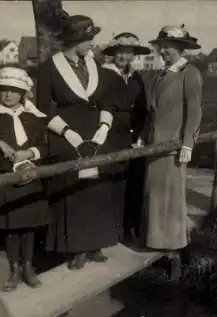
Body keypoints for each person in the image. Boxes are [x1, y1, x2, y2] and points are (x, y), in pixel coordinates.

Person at [37, 14, 128, 270]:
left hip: (97, 135)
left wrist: (103, 128)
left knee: (97, 190)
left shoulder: (95, 66)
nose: (92, 44)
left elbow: (107, 102)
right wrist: (69, 134)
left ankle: (96, 243)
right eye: (88, 39)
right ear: (75, 40)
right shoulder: (49, 69)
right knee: (73, 191)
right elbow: (43, 109)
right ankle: (76, 248)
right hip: (67, 135)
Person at [0, 66, 51, 291]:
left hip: (29, 175)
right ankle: (13, 269)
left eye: (14, 91)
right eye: (5, 90)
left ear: (23, 93)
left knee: (29, 225)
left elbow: (45, 146)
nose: (9, 95)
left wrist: (30, 153)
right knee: (11, 226)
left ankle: (28, 267)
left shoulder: (34, 117)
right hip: (3, 176)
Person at [141, 25, 203, 277]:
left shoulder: (190, 74)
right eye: (161, 46)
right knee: (154, 193)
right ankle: (156, 243)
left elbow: (195, 111)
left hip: (173, 145)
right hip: (154, 144)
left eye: (168, 47)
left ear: (180, 49)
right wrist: (142, 138)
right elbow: (151, 113)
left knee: (171, 196)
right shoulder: (158, 75)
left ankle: (174, 249)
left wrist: (188, 142)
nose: (163, 51)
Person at [100, 32, 150, 242]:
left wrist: (140, 135)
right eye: (120, 52)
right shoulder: (103, 74)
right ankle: (108, 232)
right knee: (110, 185)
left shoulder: (136, 77)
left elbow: (142, 109)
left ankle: (128, 229)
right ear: (112, 53)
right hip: (110, 137)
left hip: (133, 138)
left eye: (129, 53)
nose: (124, 57)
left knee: (132, 182)